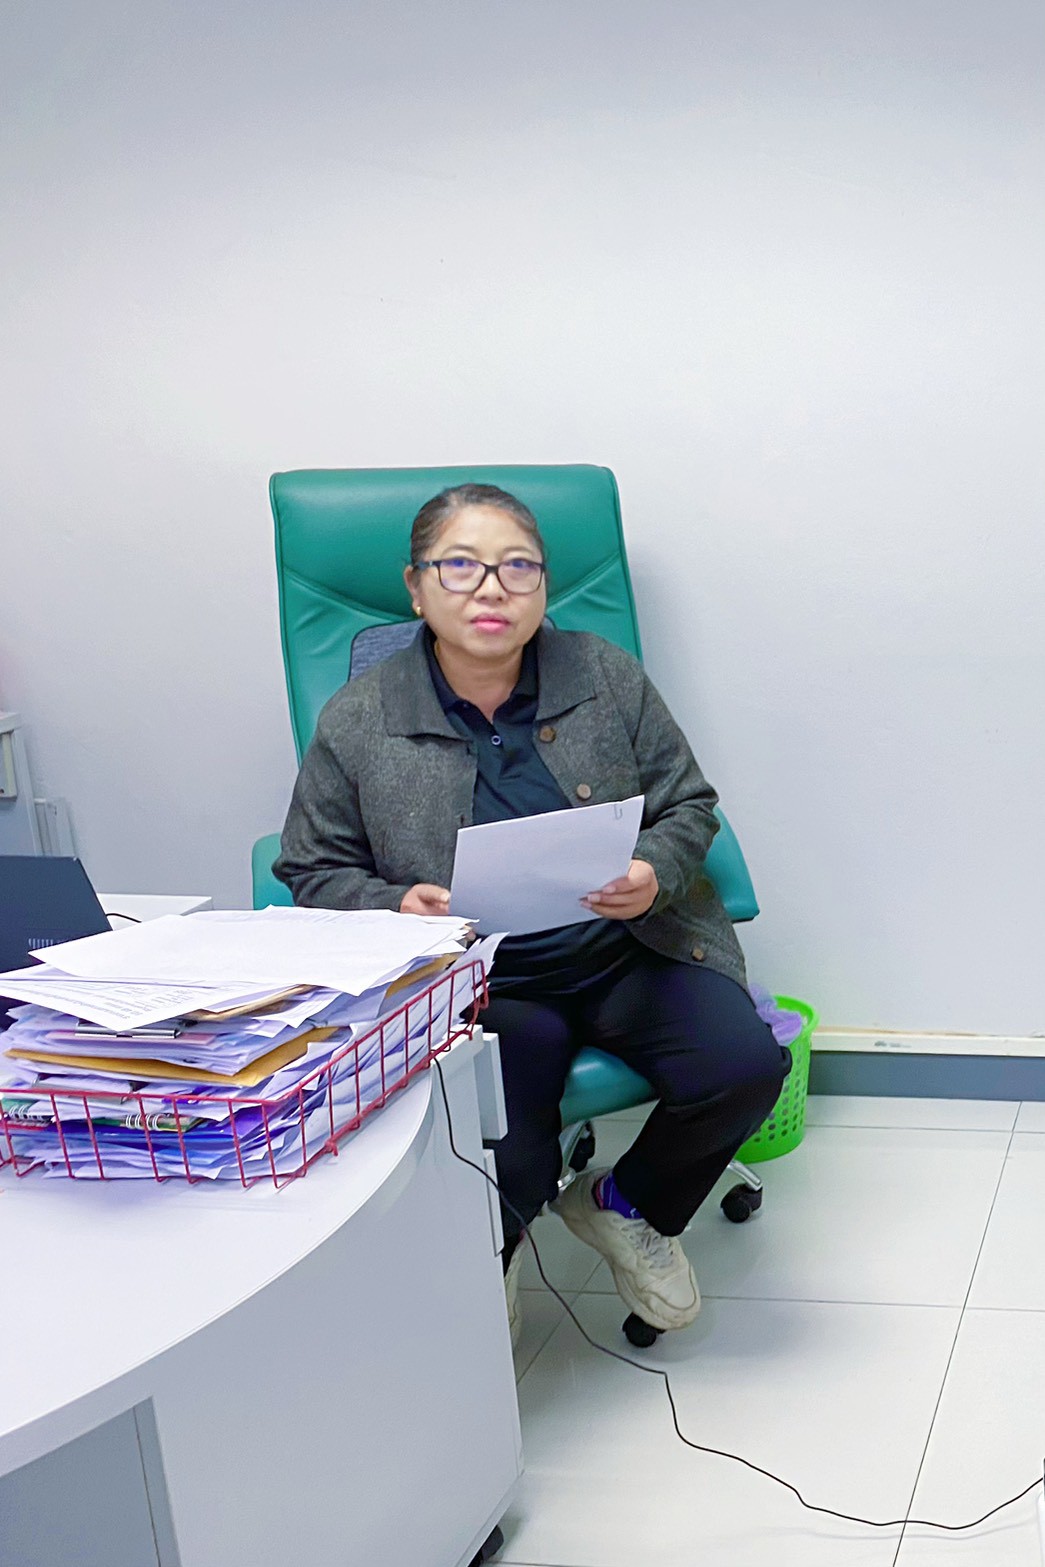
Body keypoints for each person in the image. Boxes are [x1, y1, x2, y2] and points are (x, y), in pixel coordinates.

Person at [274, 483, 787, 1339]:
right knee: (505, 1160)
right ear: (415, 587)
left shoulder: (604, 674)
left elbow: (687, 804)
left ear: (543, 585)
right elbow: (310, 865)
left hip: (628, 946)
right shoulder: (360, 717)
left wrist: (651, 871)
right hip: (483, 984)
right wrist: (394, 903)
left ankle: (626, 1204)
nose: (492, 588)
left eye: (518, 567)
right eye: (461, 566)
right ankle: (496, 1252)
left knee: (743, 1065)